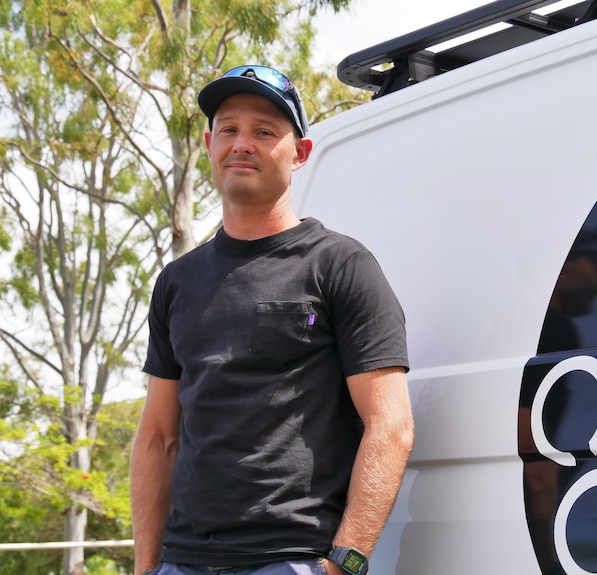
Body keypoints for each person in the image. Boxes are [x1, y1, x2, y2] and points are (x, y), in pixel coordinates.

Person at [130, 65, 415, 575]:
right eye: (229, 129)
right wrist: (147, 567)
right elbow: (157, 436)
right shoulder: (177, 281)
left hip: (291, 560)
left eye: (264, 132)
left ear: (299, 153)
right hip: (183, 562)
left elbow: (390, 426)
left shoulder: (340, 265)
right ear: (209, 144)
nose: (243, 143)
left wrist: (342, 565)